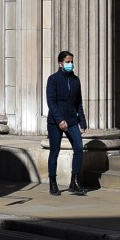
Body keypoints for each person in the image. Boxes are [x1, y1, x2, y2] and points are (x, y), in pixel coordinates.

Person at [45, 50, 88, 196]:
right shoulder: (53, 79)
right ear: (60, 63)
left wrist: (82, 122)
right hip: (55, 121)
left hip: (72, 120)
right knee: (55, 151)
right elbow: (51, 102)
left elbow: (78, 103)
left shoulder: (76, 80)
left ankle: (74, 182)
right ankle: (53, 183)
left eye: (71, 61)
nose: (70, 64)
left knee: (78, 147)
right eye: (68, 62)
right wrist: (59, 120)